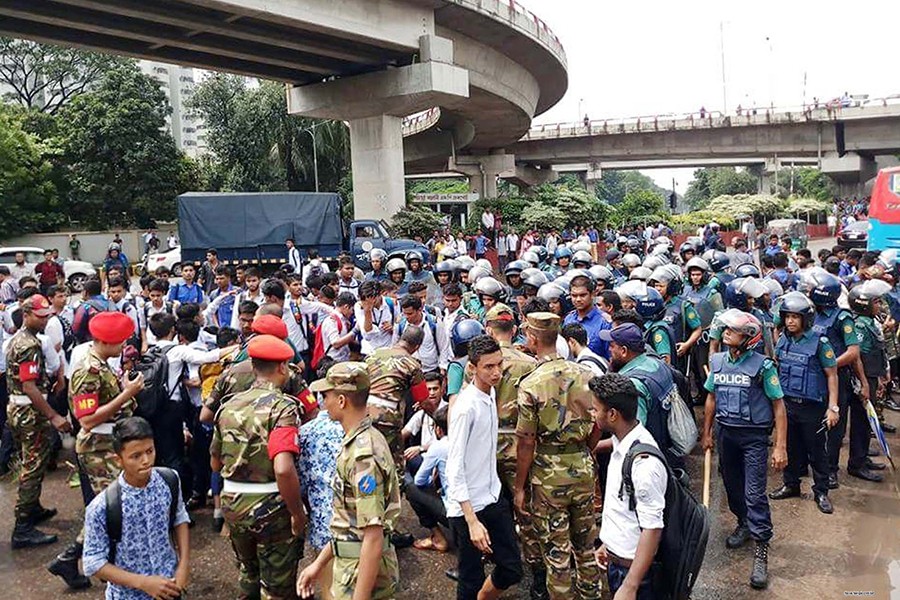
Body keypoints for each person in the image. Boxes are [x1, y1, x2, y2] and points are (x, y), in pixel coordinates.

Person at [211, 335, 304, 600]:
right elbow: (283, 468)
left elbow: (215, 462)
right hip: (271, 506)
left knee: (248, 573)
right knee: (277, 586)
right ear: (283, 367)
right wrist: (297, 513)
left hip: (234, 503)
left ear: (253, 367)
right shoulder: (283, 408)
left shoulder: (228, 406)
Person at [515, 312, 600, 600]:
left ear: (532, 338)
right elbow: (598, 422)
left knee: (556, 553)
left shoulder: (531, 384)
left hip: (548, 475)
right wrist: (586, 449)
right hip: (582, 466)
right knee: (585, 547)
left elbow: (526, 441)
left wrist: (519, 487)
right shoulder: (586, 374)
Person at [299, 362, 401, 600]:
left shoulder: (363, 455)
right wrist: (318, 564)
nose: (323, 402)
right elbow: (348, 522)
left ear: (342, 400)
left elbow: (373, 535)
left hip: (359, 573)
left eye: (326, 395)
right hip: (350, 566)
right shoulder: (361, 441)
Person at [701, 309, 787, 589]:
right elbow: (711, 398)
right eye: (726, 329)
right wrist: (707, 433)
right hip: (726, 434)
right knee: (732, 486)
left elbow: (778, 406)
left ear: (748, 337)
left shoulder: (763, 366)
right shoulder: (717, 361)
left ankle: (761, 548)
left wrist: (780, 446)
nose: (726, 333)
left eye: (733, 330)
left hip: (754, 438)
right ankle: (744, 523)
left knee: (754, 494)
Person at [445, 335, 523, 600]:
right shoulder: (465, 407)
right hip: (468, 506)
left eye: (499, 364)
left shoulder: (491, 393)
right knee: (470, 578)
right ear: (472, 368)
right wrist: (472, 521)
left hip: (492, 495)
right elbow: (454, 467)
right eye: (488, 367)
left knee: (512, 568)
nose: (496, 372)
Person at [81, 417, 191, 600]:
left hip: (170, 588)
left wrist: (184, 564)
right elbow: (92, 562)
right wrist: (143, 583)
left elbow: (180, 517)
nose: (146, 460)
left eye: (150, 451)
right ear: (118, 460)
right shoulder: (103, 506)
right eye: (136, 456)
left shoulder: (169, 480)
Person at [589, 373, 666, 600]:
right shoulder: (623, 441)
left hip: (635, 575)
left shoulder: (644, 465)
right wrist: (609, 545)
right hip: (618, 562)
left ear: (612, 414)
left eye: (595, 409)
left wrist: (630, 586)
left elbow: (652, 528)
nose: (592, 414)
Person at [7, 294, 71, 549]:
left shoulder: (20, 339)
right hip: (30, 412)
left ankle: (32, 508)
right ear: (26, 315)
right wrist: (53, 416)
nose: (44, 321)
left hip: (22, 409)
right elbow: (29, 386)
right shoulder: (28, 345)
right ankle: (22, 527)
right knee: (32, 467)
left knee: (34, 461)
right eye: (39, 316)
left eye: (47, 316)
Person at [769, 292, 839, 514]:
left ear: (805, 319)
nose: (790, 321)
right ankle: (791, 484)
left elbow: (832, 375)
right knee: (790, 446)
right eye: (787, 317)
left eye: (795, 317)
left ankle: (821, 491)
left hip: (812, 407)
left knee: (816, 451)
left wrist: (833, 407)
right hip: (788, 405)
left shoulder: (820, 342)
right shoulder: (782, 340)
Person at [365, 325, 428, 476]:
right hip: (387, 417)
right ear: (417, 347)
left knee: (366, 456)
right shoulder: (412, 364)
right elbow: (423, 398)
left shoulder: (373, 354)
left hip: (362, 412)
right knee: (393, 462)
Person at [407, 404, 451, 552]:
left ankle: (438, 538)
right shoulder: (471, 441)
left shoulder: (438, 447)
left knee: (411, 487)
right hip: (481, 511)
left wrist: (432, 480)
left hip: (455, 513)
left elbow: (419, 481)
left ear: (438, 430)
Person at [564, 274, 610, 359]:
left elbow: (610, 356)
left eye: (582, 295)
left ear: (592, 294)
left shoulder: (604, 323)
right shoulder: (568, 319)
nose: (578, 299)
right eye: (574, 295)